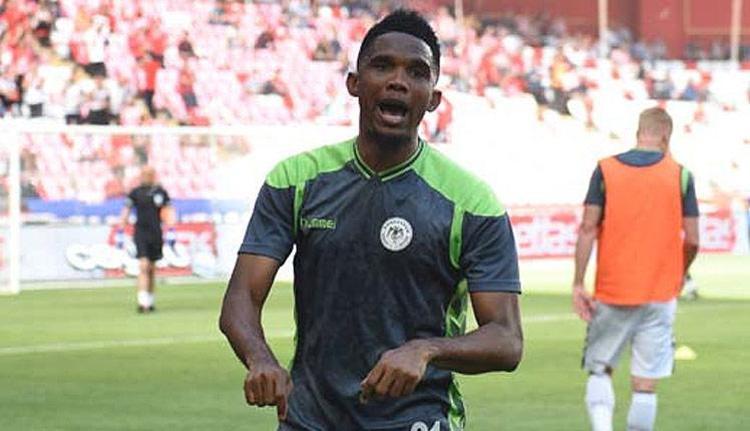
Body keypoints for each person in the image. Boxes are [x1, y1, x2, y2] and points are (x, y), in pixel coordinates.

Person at [219, 9, 523, 431]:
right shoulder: (296, 181)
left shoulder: (471, 203)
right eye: (382, 66)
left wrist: (425, 350)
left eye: (417, 72)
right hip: (309, 420)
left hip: (417, 419)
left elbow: (506, 339)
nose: (398, 81)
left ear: (433, 98)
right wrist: (261, 359)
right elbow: (241, 299)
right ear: (354, 83)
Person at [572, 107, 700, 431]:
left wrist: (578, 283)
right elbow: (693, 239)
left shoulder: (606, 169)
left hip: (612, 290)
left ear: (638, 133)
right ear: (666, 137)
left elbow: (588, 228)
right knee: (645, 384)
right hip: (660, 294)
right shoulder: (681, 175)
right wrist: (679, 272)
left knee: (600, 369)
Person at [119, 166, 175, 313]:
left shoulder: (160, 192)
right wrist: (121, 228)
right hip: (141, 233)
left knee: (152, 269)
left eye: (150, 174)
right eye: (144, 174)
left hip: (156, 233)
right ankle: (142, 302)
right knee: (143, 265)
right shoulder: (136, 192)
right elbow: (126, 210)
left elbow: (169, 211)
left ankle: (150, 300)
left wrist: (171, 229)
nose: (147, 176)